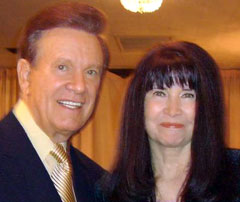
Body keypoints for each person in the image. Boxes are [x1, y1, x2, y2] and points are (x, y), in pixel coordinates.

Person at [96, 41, 240, 202]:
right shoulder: (110, 191)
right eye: (159, 93)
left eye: (188, 95)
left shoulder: (236, 175)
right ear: (138, 105)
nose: (173, 110)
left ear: (208, 106)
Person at [0, 2, 109, 202]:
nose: (79, 86)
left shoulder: (99, 182)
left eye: (91, 72)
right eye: (62, 67)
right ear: (25, 76)